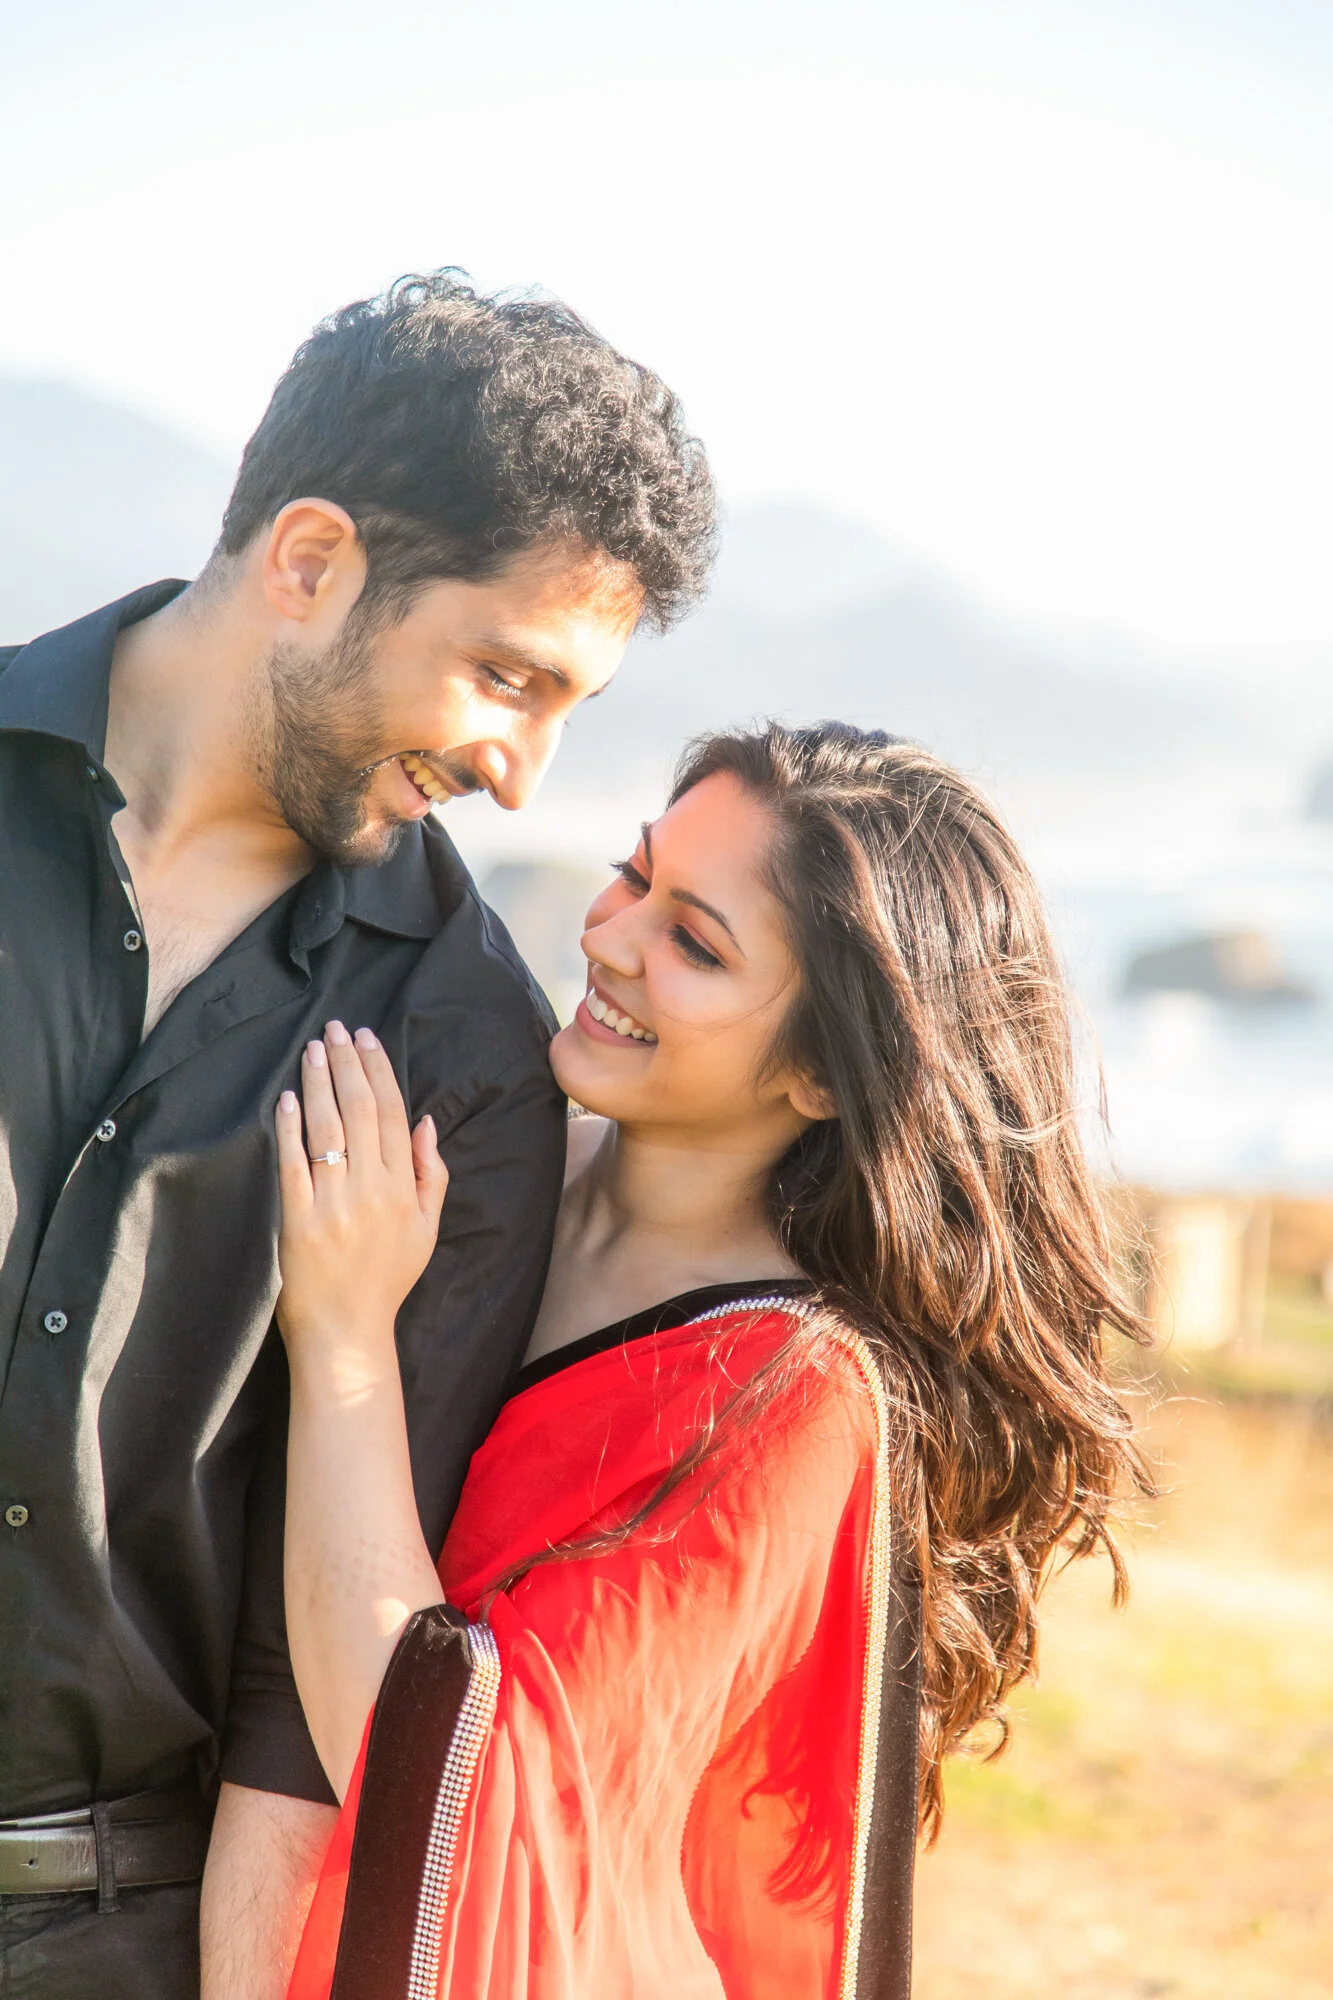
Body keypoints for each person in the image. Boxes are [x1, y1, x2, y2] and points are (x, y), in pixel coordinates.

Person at [0, 271, 714, 2000]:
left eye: (566, 709)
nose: (521, 771)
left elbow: (294, 1711)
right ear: (311, 562)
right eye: (503, 675)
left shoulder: (467, 1057)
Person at [271, 721, 1147, 1999]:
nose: (609, 938)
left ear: (823, 1072)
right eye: (633, 875)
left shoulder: (790, 1397)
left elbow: (436, 1765)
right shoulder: (466, 1183)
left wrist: (343, 1335)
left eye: (693, 941)